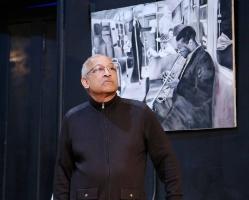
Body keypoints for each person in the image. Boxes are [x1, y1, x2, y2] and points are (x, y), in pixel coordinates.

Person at [53, 54, 182, 200]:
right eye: (99, 69)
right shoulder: (73, 119)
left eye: (112, 69)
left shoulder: (141, 114)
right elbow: (62, 173)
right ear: (85, 82)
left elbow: (167, 162)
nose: (108, 73)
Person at [160, 24, 215, 130]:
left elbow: (201, 96)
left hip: (195, 113)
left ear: (190, 41)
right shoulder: (192, 56)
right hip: (183, 103)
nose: (179, 52)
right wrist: (174, 78)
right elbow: (188, 81)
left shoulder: (204, 59)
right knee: (156, 108)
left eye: (180, 48)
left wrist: (178, 84)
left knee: (162, 128)